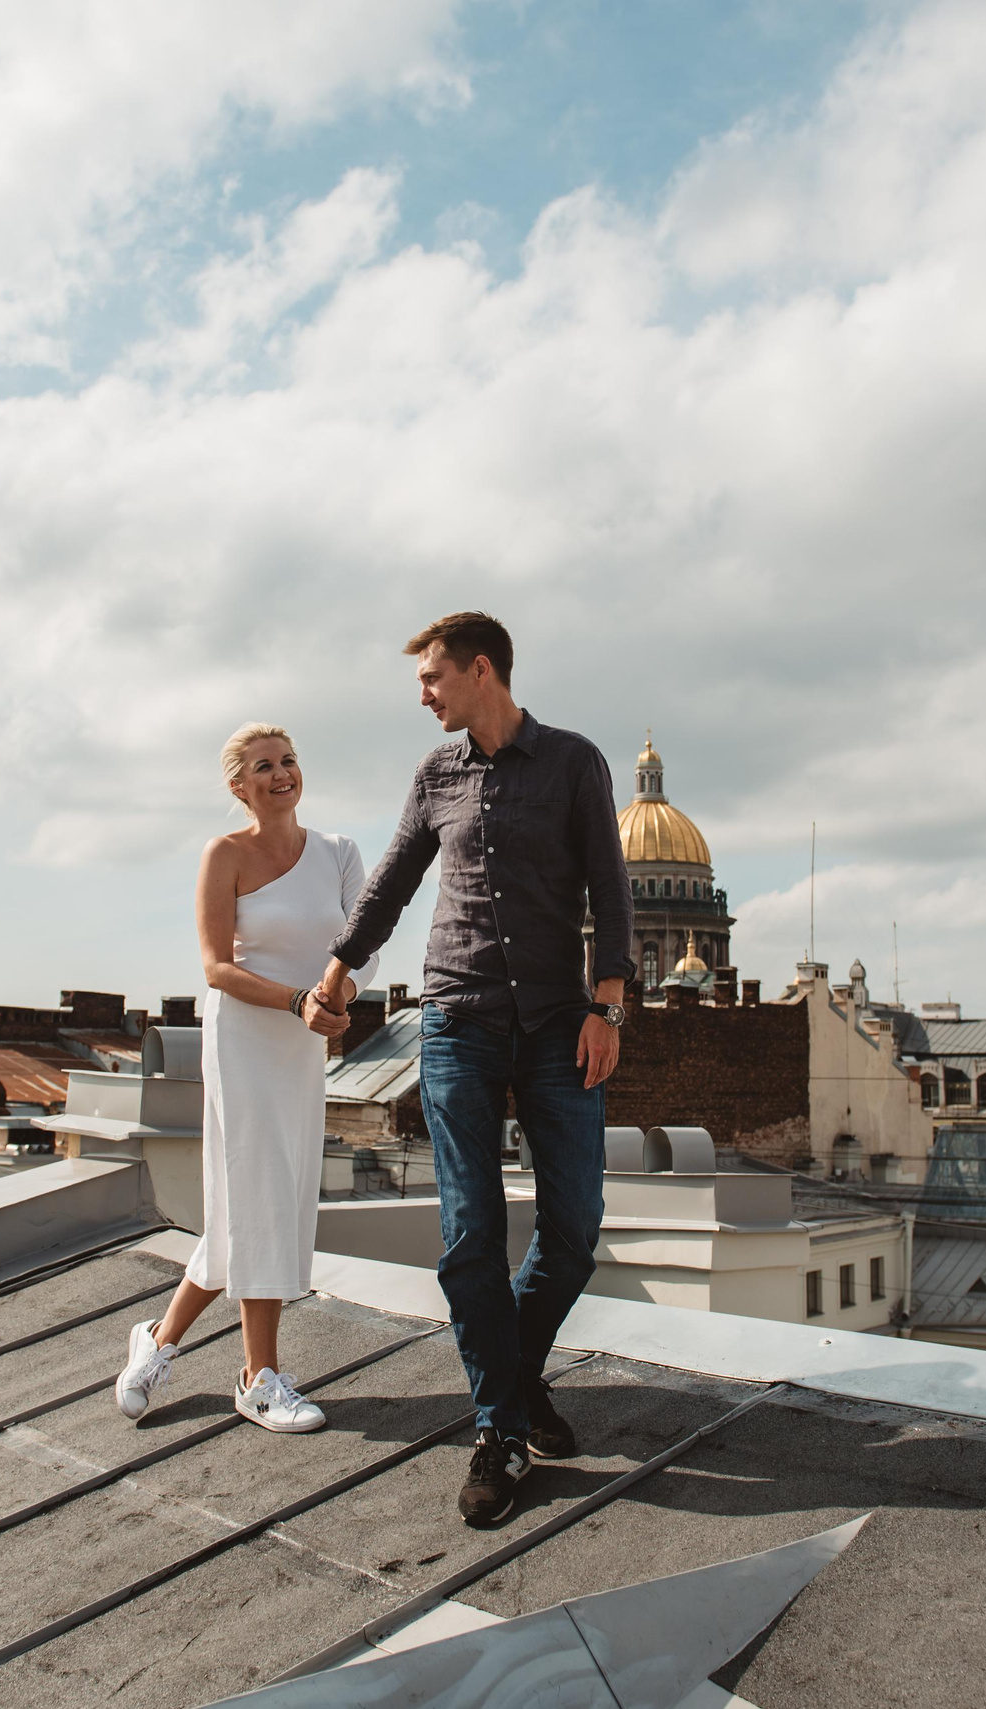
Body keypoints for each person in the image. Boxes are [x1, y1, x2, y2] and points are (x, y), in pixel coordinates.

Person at [315, 612, 634, 1525]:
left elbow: (610, 888)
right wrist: (334, 977)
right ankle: (499, 1426)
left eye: (431, 678)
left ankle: (516, 1372)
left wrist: (608, 1006)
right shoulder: (437, 774)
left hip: (560, 1026)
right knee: (469, 1233)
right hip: (456, 1020)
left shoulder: (575, 762)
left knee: (573, 1228)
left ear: (480, 669)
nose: (422, 695)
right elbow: (391, 883)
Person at [115, 723, 375, 1433]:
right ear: (239, 786)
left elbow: (364, 948)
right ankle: (258, 1378)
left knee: (255, 1208)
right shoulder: (222, 854)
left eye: (289, 759)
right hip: (245, 1039)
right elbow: (216, 967)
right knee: (260, 1193)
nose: (282, 773)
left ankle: (158, 1340)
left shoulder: (339, 853)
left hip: (305, 1042)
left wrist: (335, 999)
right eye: (264, 766)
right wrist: (299, 1000)